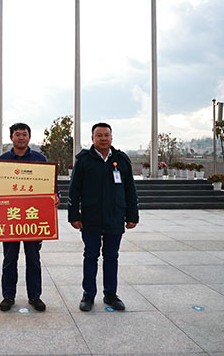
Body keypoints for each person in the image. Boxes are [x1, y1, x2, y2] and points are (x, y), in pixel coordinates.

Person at [0, 123, 60, 312]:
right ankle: (8, 296)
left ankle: (35, 296)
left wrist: (56, 196)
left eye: (24, 134)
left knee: (33, 259)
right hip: (11, 219)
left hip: (33, 218)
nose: (21, 138)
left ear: (29, 137)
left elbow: (51, 186)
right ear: (11, 137)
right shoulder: (2, 161)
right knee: (9, 259)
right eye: (17, 134)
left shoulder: (39, 159)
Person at [68, 122, 138, 312]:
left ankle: (110, 294)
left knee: (111, 257)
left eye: (106, 135)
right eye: (99, 135)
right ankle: (88, 294)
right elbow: (74, 190)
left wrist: (132, 215)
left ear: (111, 137)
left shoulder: (121, 160)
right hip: (90, 217)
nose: (103, 139)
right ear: (92, 138)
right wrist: (74, 216)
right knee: (91, 256)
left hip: (115, 216)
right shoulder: (84, 160)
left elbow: (130, 190)